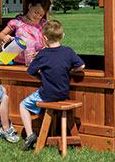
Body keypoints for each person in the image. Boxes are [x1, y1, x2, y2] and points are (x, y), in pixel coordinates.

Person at [19, 20, 85, 150]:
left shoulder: (42, 54)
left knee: (23, 105)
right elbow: (82, 65)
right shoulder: (68, 51)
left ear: (44, 38)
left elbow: (30, 71)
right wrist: (70, 71)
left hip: (47, 95)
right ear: (63, 36)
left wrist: (41, 76)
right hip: (63, 94)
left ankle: (30, 134)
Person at [0, 0, 50, 66]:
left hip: (36, 60)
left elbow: (46, 40)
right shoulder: (17, 22)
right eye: (36, 12)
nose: (37, 16)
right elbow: (1, 34)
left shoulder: (42, 24)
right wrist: (5, 37)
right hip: (19, 60)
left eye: (40, 15)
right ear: (30, 6)